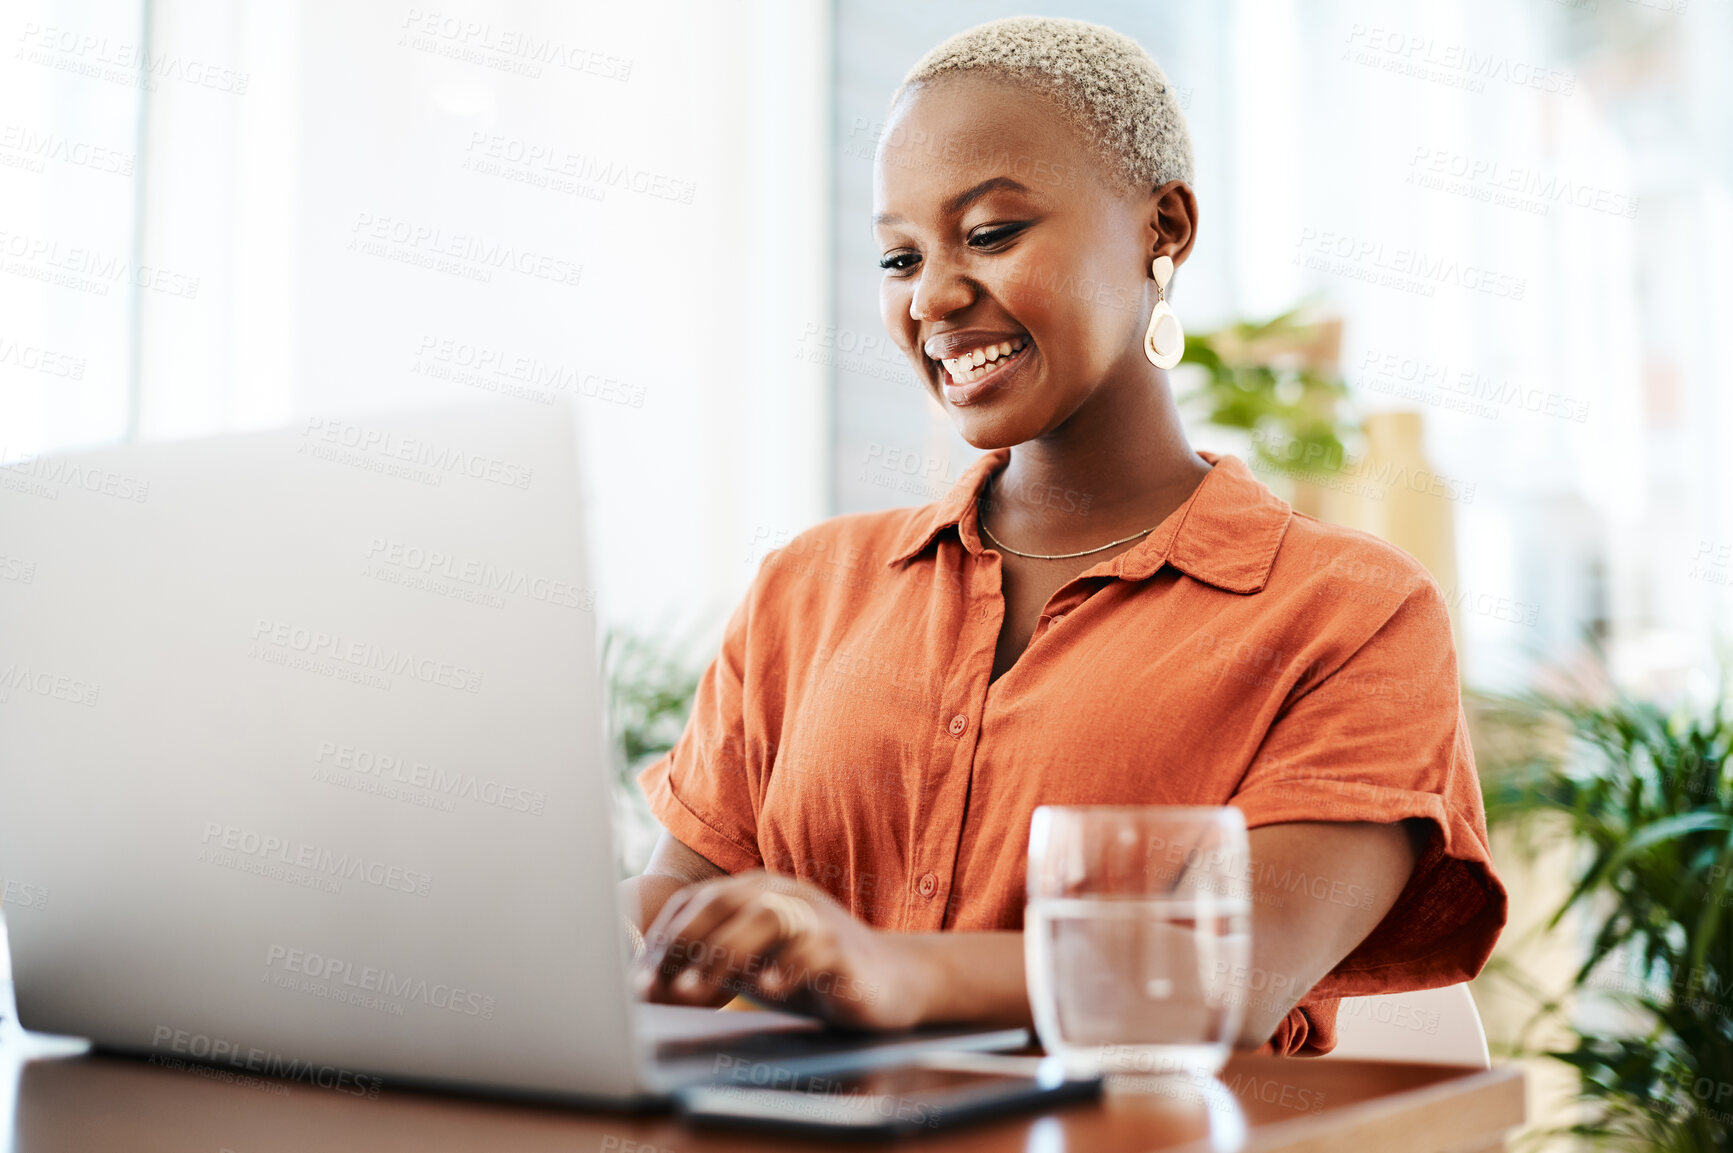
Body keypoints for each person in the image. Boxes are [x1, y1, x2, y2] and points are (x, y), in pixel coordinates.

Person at [621, 15, 1506, 1056]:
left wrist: (889, 968)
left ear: (1161, 228)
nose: (933, 297)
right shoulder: (807, 589)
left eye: (990, 234)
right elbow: (666, 931)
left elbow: (1231, 972)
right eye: (898, 256)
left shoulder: (1347, 612)